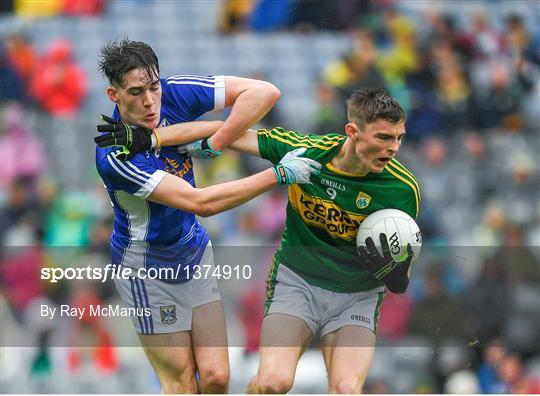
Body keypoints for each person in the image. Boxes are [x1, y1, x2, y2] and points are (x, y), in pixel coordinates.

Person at [96, 87, 420, 393]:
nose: (393, 148)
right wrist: (150, 138)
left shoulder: (402, 191)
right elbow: (222, 131)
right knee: (272, 383)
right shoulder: (307, 151)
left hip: (356, 295)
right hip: (299, 283)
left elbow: (400, 270)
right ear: (352, 131)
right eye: (383, 137)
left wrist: (395, 271)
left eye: (399, 138)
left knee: (346, 388)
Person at [94, 38, 321, 394]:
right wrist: (277, 173)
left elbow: (265, 93)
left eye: (153, 87)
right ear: (114, 95)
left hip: (194, 253)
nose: (151, 100)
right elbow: (201, 203)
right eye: (136, 92)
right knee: (182, 382)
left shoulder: (175, 92)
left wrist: (215, 141)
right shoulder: (113, 155)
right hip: (146, 270)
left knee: (216, 377)